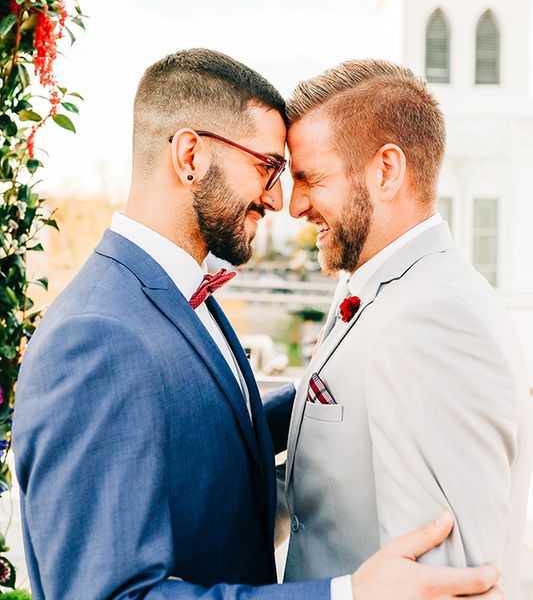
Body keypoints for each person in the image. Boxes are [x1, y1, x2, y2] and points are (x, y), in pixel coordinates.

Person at [13, 50, 502, 600]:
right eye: (268, 167)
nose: (278, 199)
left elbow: (208, 426)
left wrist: (334, 383)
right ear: (190, 156)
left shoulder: (178, 294)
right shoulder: (100, 336)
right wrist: (345, 595)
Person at [283, 57, 532, 600]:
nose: (294, 204)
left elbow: (448, 583)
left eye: (311, 178)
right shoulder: (374, 284)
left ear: (386, 171)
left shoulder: (432, 317)